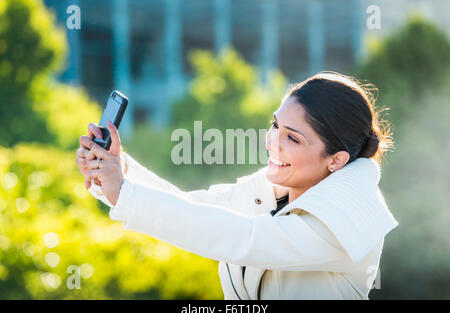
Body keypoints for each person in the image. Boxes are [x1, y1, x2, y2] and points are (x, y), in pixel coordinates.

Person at [76, 71, 398, 300]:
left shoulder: (345, 221)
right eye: (275, 125)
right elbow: (193, 208)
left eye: (292, 138)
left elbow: (241, 238)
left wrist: (124, 192)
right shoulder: (272, 190)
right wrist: (118, 173)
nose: (273, 142)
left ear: (336, 160)